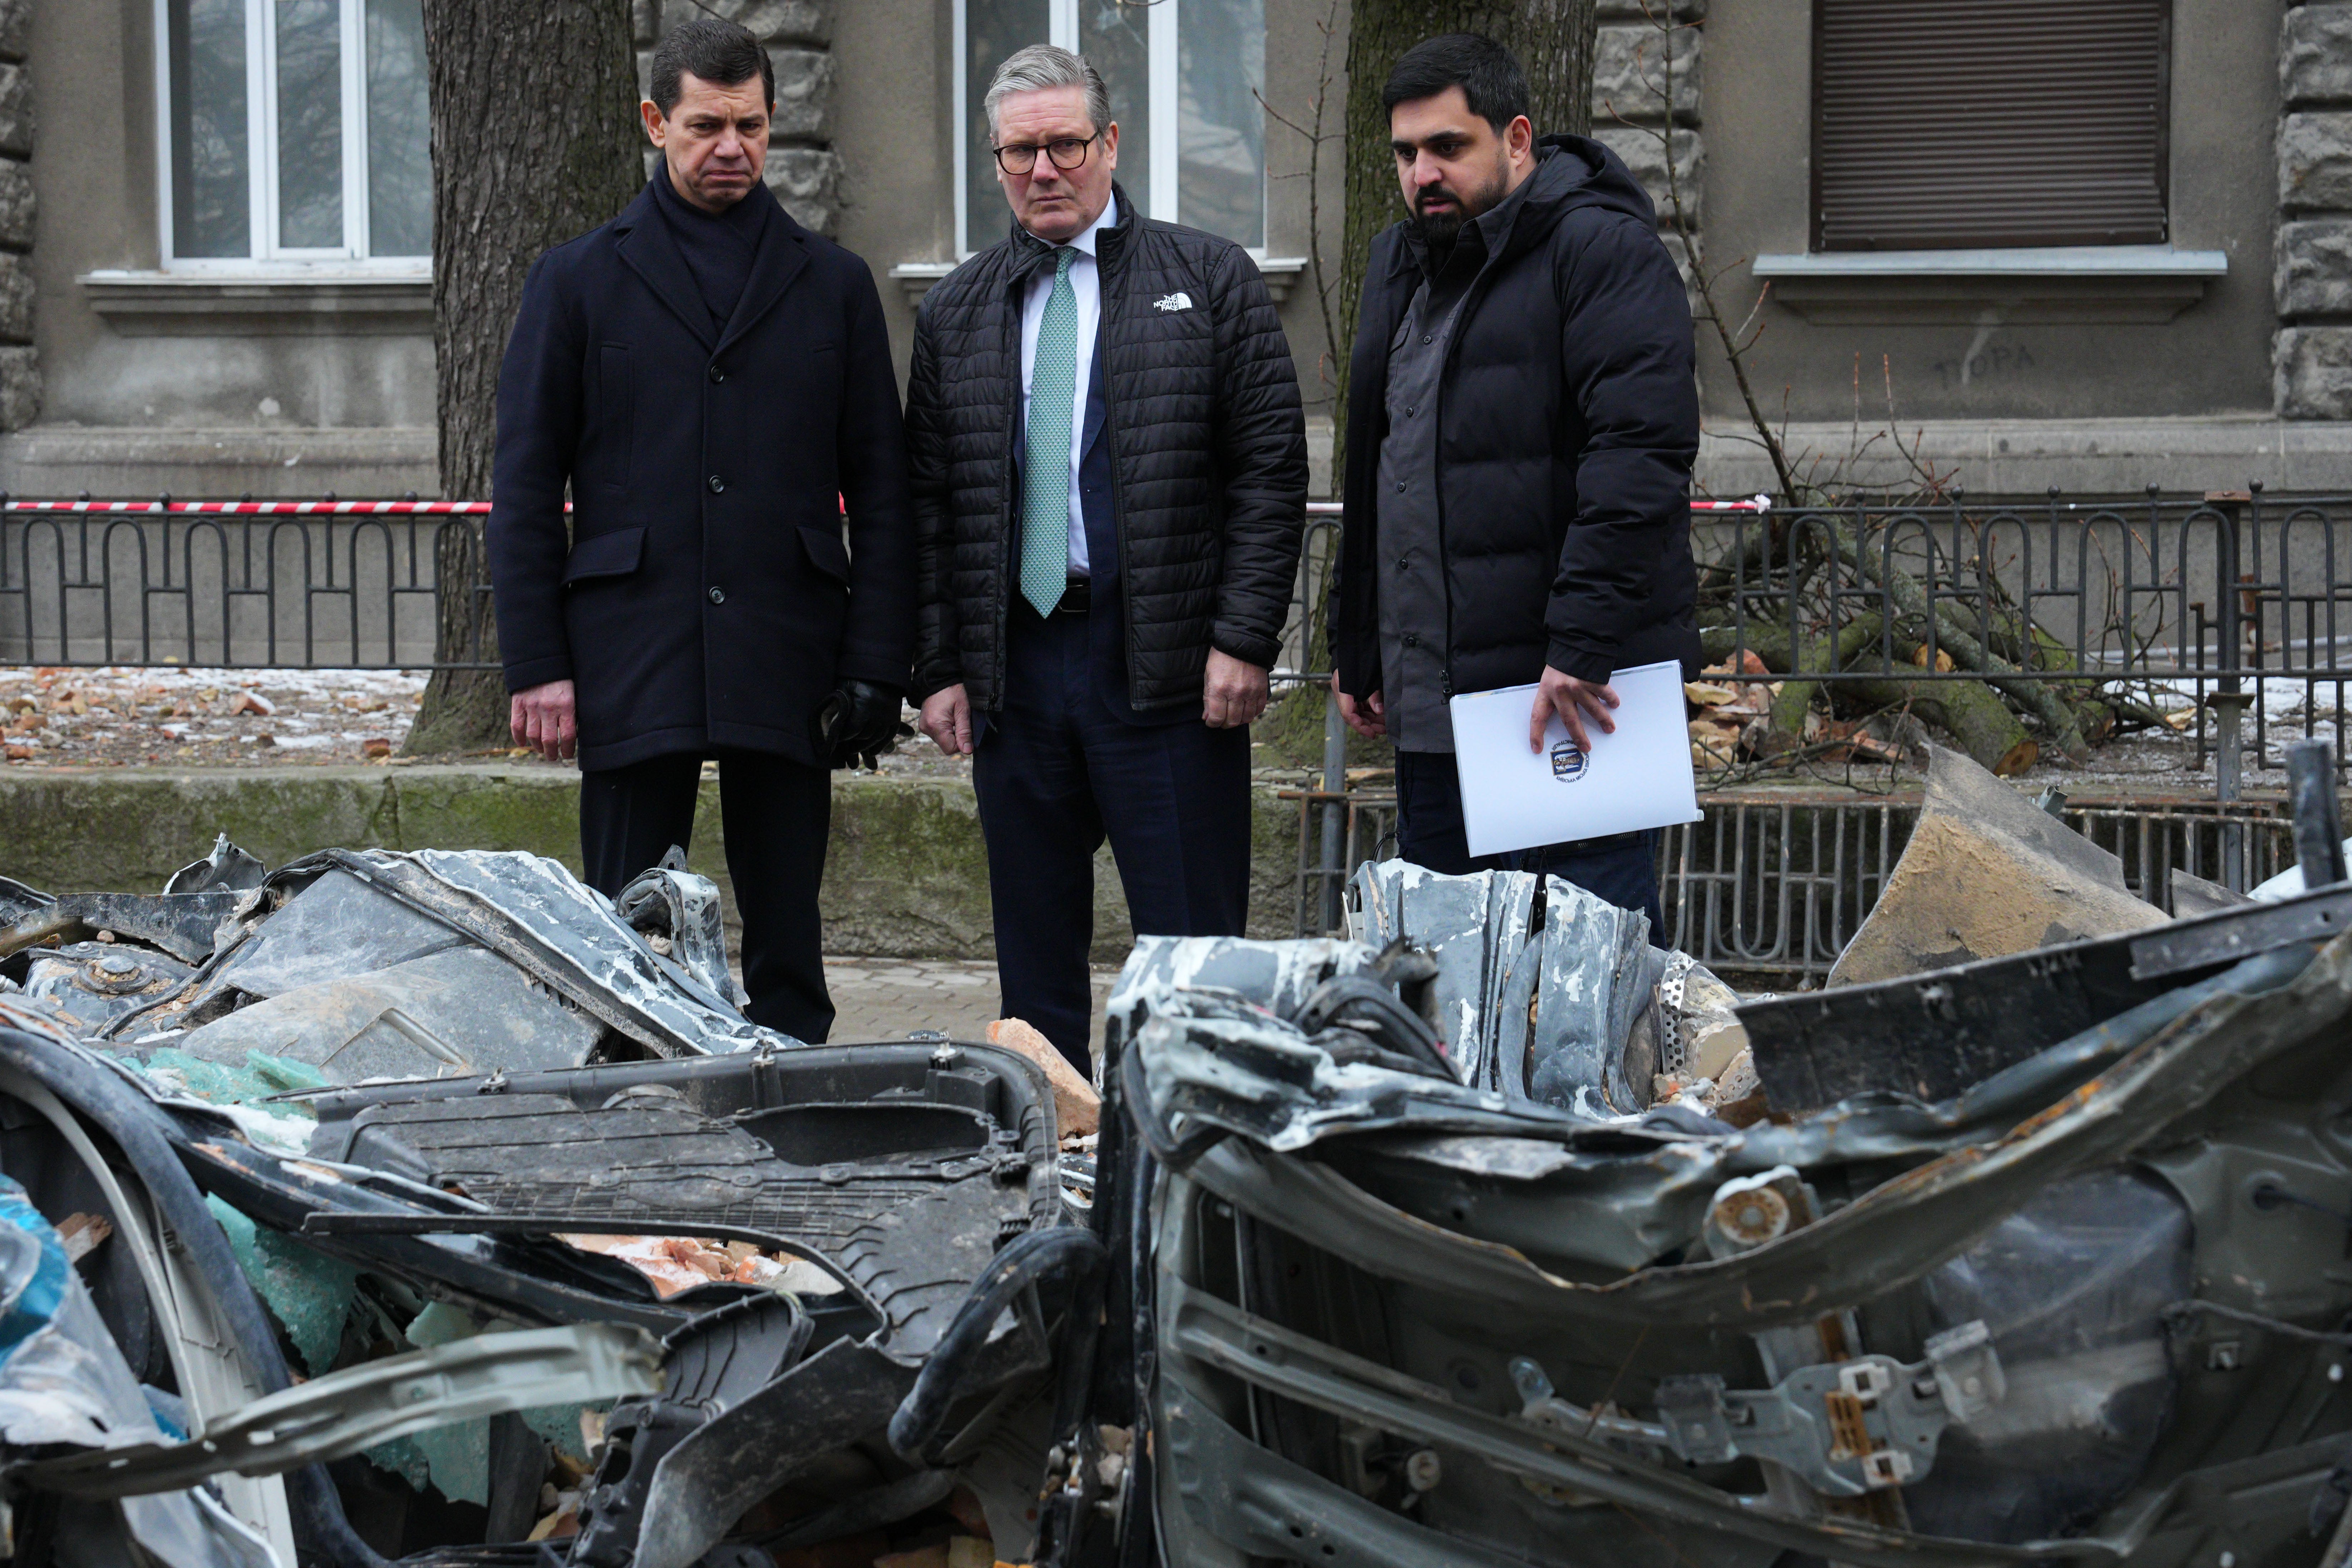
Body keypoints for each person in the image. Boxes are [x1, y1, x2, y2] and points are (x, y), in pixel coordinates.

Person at [487, 16, 913, 1044]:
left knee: (788, 937)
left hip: (789, 645)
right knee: (622, 926)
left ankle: (795, 1104)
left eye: (752, 126)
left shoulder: (835, 285)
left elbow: (885, 489)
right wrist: (536, 664)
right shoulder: (577, 280)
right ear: (654, 122)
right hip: (634, 642)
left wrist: (876, 664)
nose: (732, 147)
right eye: (706, 125)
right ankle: (629, 1095)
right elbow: (526, 481)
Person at [905, 44, 1307, 1074]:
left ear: (1110, 144)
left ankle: (1200, 1165)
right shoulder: (956, 311)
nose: (1044, 169)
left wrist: (1243, 635)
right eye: (1020, 151)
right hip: (1018, 674)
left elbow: (1268, 472)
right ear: (996, 162)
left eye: (1065, 145)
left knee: (1195, 953)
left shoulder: (1209, 280)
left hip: (1168, 672)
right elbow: (933, 504)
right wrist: (939, 664)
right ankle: (1053, 1171)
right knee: (1034, 969)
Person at [1329, 32, 1700, 935]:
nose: (1423, 174)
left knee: (1583, 990)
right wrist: (1359, 642)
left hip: (1564, 708)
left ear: (1517, 139)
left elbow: (1640, 455)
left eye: (1448, 147)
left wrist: (1578, 647)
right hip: (1434, 717)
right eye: (1406, 155)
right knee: (1455, 1002)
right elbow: (1380, 462)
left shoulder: (1601, 250)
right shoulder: (1397, 264)